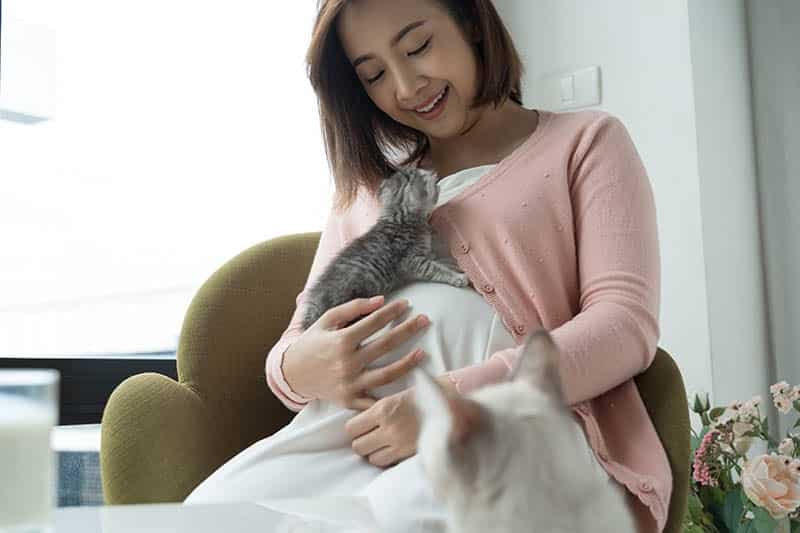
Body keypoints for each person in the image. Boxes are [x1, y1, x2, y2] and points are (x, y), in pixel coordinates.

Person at [184, 1, 672, 532]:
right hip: (351, 434)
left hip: (501, 429)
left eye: (417, 46)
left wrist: (447, 402)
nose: (405, 85)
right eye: (372, 74)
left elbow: (624, 326)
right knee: (204, 518)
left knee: (396, 520)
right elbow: (292, 346)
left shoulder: (583, 143)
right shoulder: (367, 190)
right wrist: (301, 366)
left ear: (469, 23)